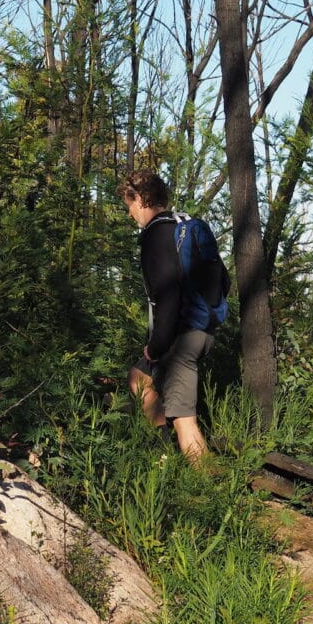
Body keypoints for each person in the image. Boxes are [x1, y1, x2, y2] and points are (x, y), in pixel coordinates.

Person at [119, 169, 216, 465]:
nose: (130, 214)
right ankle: (164, 452)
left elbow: (168, 295)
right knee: (139, 378)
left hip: (181, 338)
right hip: (201, 328)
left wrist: (157, 346)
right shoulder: (180, 226)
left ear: (141, 198)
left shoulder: (156, 236)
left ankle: (208, 490)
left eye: (130, 205)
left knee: (184, 419)